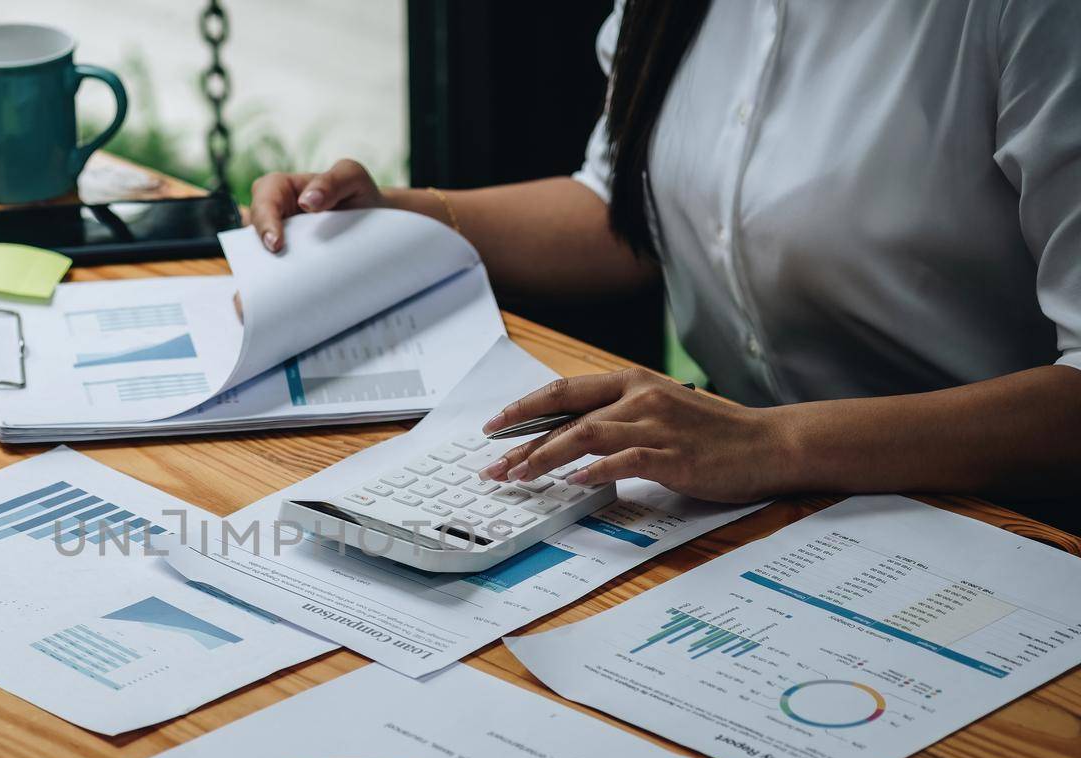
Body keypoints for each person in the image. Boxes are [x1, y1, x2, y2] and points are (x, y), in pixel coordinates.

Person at [249, 0, 1081, 516]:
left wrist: (775, 444)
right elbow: (628, 210)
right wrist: (401, 216)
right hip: (756, 498)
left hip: (1003, 516)